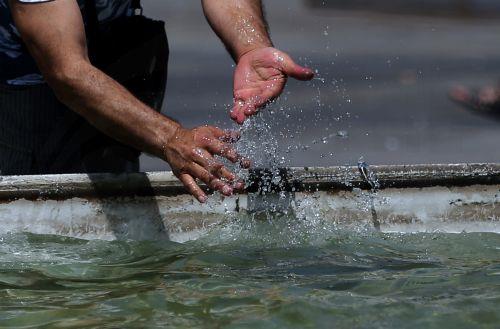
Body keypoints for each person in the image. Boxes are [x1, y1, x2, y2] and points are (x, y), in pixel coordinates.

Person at [0, 0, 314, 203]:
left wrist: (250, 46)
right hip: (23, 81)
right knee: (27, 243)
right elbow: (66, 72)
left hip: (115, 48)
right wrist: (169, 137)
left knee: (113, 215)